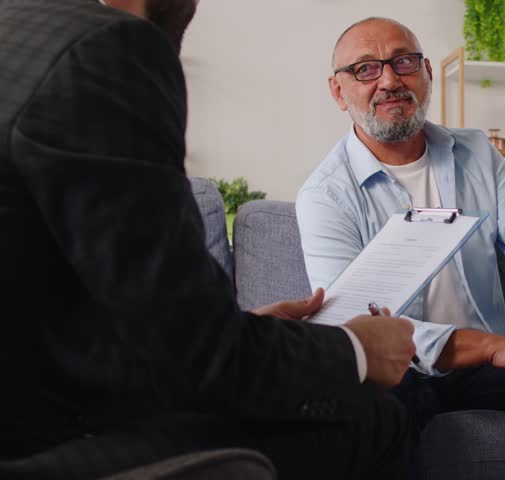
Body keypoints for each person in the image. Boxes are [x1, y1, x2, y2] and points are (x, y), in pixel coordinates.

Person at [0, 1, 417, 479]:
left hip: (37, 403)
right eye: (366, 69)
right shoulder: (104, 49)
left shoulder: (19, 35)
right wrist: (357, 351)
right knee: (375, 419)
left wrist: (237, 328)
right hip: (43, 448)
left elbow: (78, 321)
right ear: (339, 90)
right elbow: (201, 356)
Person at [296, 16, 505, 479]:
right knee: (369, 399)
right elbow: (354, 322)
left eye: (403, 62)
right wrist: (490, 347)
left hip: (485, 364)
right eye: (366, 69)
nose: (389, 80)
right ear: (337, 90)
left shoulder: (475, 153)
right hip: (399, 364)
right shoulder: (325, 195)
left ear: (426, 71)